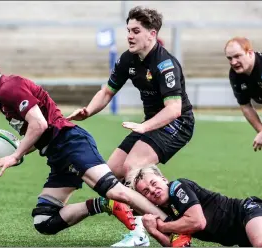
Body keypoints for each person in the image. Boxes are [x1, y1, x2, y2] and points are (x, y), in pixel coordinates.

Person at [0, 54, 180, 239]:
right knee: (44, 220)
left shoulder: (9, 87)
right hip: (58, 154)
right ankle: (103, 204)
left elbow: (38, 124)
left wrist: (15, 155)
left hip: (70, 143)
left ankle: (175, 226)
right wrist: (16, 153)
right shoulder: (4, 98)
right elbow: (39, 130)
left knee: (118, 191)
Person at [67, 6, 194, 246]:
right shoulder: (128, 59)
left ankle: (170, 229)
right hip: (149, 124)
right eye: (128, 30)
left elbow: (174, 109)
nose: (129, 36)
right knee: (109, 173)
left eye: (136, 31)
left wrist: (145, 127)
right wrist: (88, 111)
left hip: (177, 123)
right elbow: (107, 91)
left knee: (132, 168)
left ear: (152, 34)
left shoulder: (165, 64)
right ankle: (145, 229)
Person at [128, 165, 262, 247]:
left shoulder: (177, 187)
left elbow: (198, 222)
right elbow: (176, 244)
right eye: (146, 191)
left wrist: (161, 227)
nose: (152, 190)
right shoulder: (164, 213)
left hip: (247, 211)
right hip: (241, 237)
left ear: (164, 179)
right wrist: (153, 231)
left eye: (154, 183)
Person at [225, 37, 262, 152]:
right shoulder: (235, 76)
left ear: (250, 53)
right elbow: (245, 106)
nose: (233, 62)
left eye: (237, 56)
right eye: (229, 58)